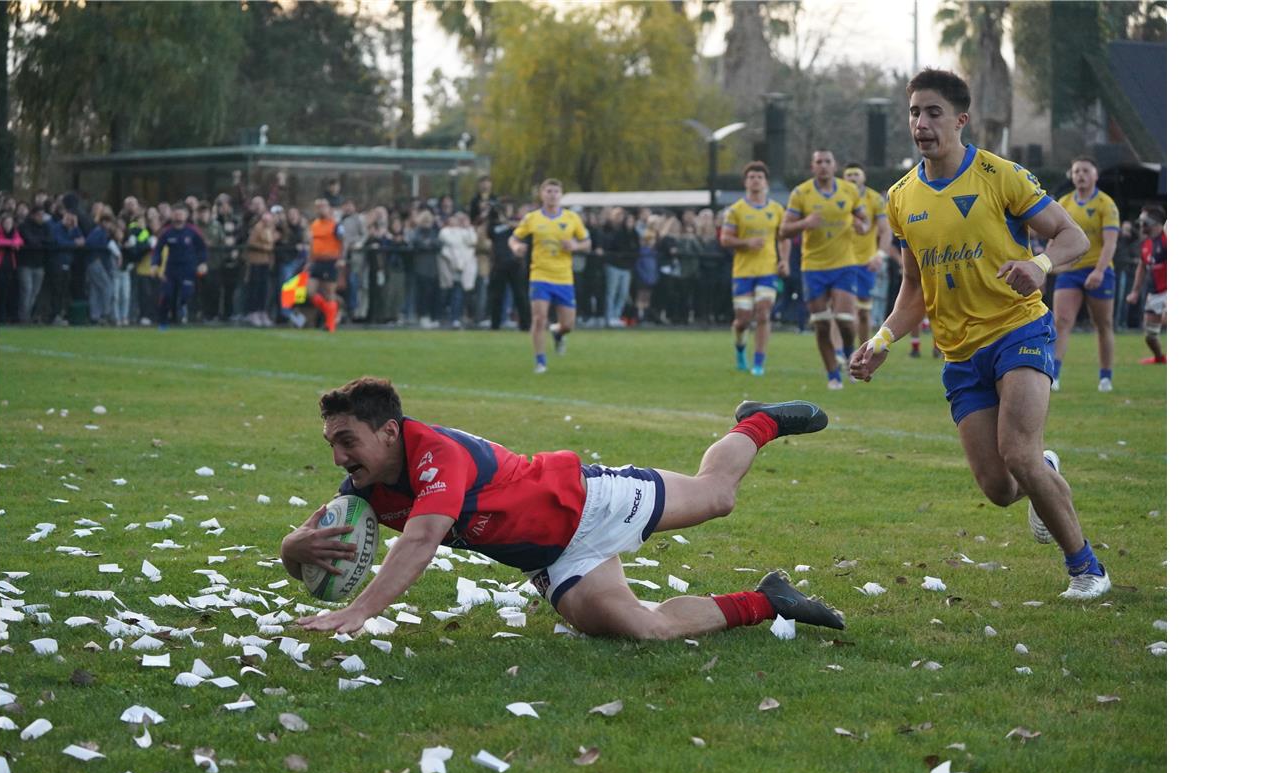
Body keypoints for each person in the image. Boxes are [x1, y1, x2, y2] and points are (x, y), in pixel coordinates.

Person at [284, 377, 846, 640]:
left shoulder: (437, 454)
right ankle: (769, 600)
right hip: (553, 559)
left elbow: (421, 541)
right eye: (331, 443)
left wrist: (360, 611)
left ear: (388, 432)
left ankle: (758, 421)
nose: (338, 457)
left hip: (588, 503)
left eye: (347, 441)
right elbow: (319, 547)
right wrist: (293, 549)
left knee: (718, 496)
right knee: (640, 631)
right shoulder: (362, 487)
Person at [849, 68, 1108, 601]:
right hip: (961, 353)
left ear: (960, 119)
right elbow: (913, 290)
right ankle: (1045, 474)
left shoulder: (999, 174)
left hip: (1019, 329)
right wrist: (880, 342)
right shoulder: (900, 198)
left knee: (1018, 452)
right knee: (1000, 488)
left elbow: (1073, 235)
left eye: (933, 112)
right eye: (915, 112)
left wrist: (1039, 265)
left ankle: (1087, 569)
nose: (921, 123)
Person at [781, 150, 871, 390]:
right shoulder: (801, 193)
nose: (823, 166)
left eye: (827, 162)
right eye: (819, 162)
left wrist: (862, 226)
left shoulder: (848, 191)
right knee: (821, 323)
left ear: (835, 165)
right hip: (814, 266)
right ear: (812, 166)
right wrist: (804, 224)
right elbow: (784, 230)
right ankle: (833, 375)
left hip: (844, 263)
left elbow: (864, 219)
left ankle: (850, 356)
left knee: (844, 319)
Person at [1049, 157, 1121, 392]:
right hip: (1070, 271)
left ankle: (1105, 377)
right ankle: (1054, 376)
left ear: (1095, 175)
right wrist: (1050, 264)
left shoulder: (1106, 204)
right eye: (1076, 171)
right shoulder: (1064, 202)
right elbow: (1054, 238)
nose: (1080, 175)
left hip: (1099, 270)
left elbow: (1111, 242)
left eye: (1085, 171)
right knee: (1061, 322)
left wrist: (1099, 271)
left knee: (1103, 324)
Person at [509, 179, 591, 373]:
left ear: (560, 195)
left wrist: (576, 246)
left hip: (563, 277)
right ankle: (540, 361)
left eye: (556, 191)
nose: (552, 195)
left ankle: (558, 333)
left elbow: (587, 242)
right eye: (549, 191)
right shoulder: (532, 218)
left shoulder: (572, 218)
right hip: (540, 275)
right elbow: (514, 237)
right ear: (542, 194)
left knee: (568, 324)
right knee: (539, 318)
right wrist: (516, 247)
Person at [720, 161, 790, 377]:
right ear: (745, 182)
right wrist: (746, 243)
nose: (755, 180)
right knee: (742, 320)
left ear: (766, 182)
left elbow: (784, 238)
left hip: (767, 270)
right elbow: (725, 239)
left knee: (763, 313)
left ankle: (759, 363)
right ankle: (740, 349)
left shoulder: (777, 209)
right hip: (743, 271)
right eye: (751, 177)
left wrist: (784, 260)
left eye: (759, 177)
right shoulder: (736, 210)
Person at [842, 162, 896, 347]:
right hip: (841, 262)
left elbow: (885, 231)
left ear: (863, 177)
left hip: (866, 262)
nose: (852, 178)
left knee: (864, 313)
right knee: (842, 311)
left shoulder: (874, 199)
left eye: (856, 174)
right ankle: (839, 353)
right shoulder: (837, 198)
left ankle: (862, 350)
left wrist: (880, 255)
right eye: (849, 175)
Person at [152, 203, 208, 329]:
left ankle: (180, 315)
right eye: (176, 213)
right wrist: (155, 264)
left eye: (181, 213)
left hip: (188, 268)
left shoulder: (193, 231)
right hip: (171, 268)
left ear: (186, 215)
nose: (178, 216)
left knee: (186, 294)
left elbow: (202, 248)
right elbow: (157, 249)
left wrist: (202, 263)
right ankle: (163, 323)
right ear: (172, 215)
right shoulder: (166, 232)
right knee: (167, 295)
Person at [1125, 206, 1166, 364]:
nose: (1141, 226)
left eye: (1144, 222)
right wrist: (1135, 291)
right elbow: (1142, 267)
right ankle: (1159, 358)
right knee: (1150, 335)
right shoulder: (1146, 244)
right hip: (1155, 292)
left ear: (1155, 223)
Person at [488, 203, 530, 331]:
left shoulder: (518, 224)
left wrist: (507, 222)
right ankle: (495, 325)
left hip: (515, 263)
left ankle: (525, 325)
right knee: (497, 296)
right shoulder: (493, 225)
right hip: (499, 264)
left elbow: (524, 228)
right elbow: (489, 234)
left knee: (520, 295)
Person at [307, 199, 345, 332]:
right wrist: (309, 261)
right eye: (318, 207)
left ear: (329, 209)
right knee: (310, 292)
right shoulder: (314, 225)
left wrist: (341, 258)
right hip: (317, 261)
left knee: (329, 293)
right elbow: (312, 245)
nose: (320, 210)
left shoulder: (335, 225)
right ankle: (332, 313)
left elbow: (343, 241)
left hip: (330, 261)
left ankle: (330, 325)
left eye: (322, 207)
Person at [437, 212, 478, 329]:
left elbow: (473, 241)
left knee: (459, 292)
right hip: (449, 266)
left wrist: (468, 227)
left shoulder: (465, 231)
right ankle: (444, 316)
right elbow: (451, 241)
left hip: (463, 267)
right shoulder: (445, 231)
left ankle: (456, 317)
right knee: (447, 293)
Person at [244, 212, 278, 327]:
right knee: (255, 287)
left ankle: (262, 312)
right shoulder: (257, 228)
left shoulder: (271, 229)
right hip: (256, 262)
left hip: (266, 262)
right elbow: (251, 242)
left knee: (264, 288)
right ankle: (253, 312)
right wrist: (265, 248)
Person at [0, 212, 24, 324]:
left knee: (10, 292)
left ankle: (9, 317)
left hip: (11, 267)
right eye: (6, 223)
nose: (8, 225)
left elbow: (20, 241)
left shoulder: (14, 232)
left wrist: (13, 243)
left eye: (10, 223)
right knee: (0, 293)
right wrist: (11, 244)